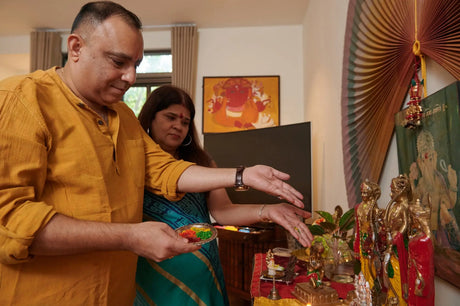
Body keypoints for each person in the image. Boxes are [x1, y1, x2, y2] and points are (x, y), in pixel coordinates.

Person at [0, 2, 312, 305]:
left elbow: (164, 170)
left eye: (136, 65)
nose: (131, 78)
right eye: (118, 62)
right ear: (76, 47)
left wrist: (243, 175)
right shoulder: (23, 101)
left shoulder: (122, 116)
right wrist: (128, 237)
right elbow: (9, 220)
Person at [134, 85, 313, 305]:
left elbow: (223, 211)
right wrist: (244, 175)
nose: (178, 126)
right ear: (150, 119)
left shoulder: (202, 163)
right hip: (153, 270)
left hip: (203, 269)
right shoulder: (134, 163)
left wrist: (268, 210)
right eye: (170, 117)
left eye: (185, 122)